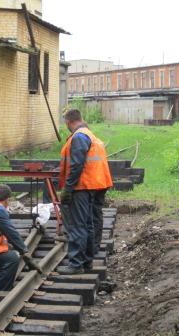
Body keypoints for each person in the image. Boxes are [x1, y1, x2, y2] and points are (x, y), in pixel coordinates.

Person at [59, 109, 113, 275]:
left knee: (78, 225)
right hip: (92, 184)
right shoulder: (89, 134)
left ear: (69, 122)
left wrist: (68, 188)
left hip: (82, 186)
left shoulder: (79, 137)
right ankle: (87, 262)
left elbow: (77, 165)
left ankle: (75, 264)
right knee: (88, 224)